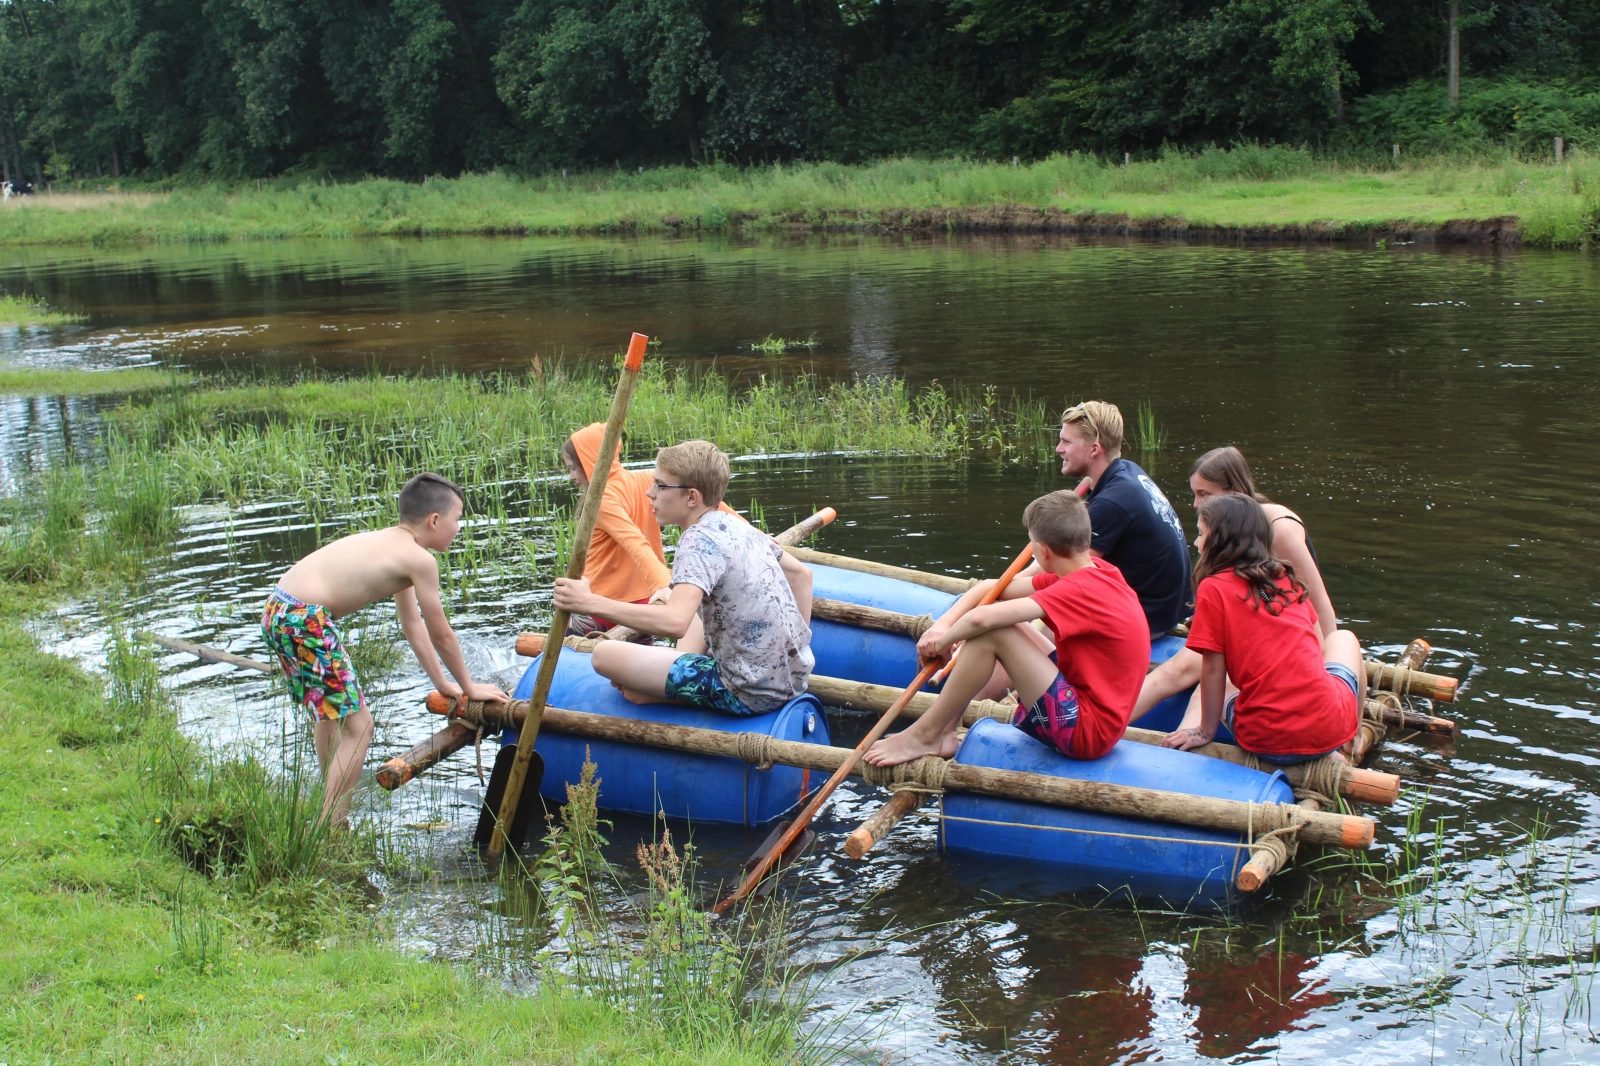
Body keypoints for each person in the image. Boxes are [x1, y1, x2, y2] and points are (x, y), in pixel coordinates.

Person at [261, 473, 510, 826]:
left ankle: (328, 808)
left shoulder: (395, 546)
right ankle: (331, 826)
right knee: (361, 727)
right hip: (305, 619)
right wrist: (469, 687)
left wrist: (443, 684)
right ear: (434, 520)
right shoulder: (420, 561)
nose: (458, 528)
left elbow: (413, 625)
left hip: (278, 610)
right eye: (457, 519)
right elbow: (440, 634)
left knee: (329, 714)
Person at [864, 490, 1149, 767]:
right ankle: (944, 731)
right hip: (1090, 709)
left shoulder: (1079, 589)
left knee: (993, 631)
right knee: (1002, 619)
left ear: (1043, 552)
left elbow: (981, 620)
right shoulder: (1095, 571)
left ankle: (926, 734)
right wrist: (942, 626)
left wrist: (941, 643)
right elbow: (993, 589)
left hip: (1086, 733)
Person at [551, 440, 814, 715]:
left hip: (748, 692)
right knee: (697, 611)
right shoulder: (737, 524)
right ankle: (671, 679)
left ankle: (666, 695)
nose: (649, 493)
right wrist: (792, 650)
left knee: (604, 654)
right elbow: (801, 575)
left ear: (691, 497)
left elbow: (676, 622)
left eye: (660, 486)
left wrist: (589, 602)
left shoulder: (696, 540)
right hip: (796, 679)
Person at [1133, 445, 1337, 720]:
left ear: (1234, 491)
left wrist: (1323, 670)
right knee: (1180, 670)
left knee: (1183, 671)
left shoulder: (1278, 531)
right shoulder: (1234, 530)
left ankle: (1119, 727)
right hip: (1253, 626)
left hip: (1275, 638)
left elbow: (1319, 605)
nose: (1196, 504)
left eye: (1204, 494)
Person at [1159, 494, 1361, 764]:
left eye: (1200, 534)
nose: (1196, 543)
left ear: (1219, 540)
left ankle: (1189, 741)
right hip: (1329, 730)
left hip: (1266, 743)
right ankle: (1350, 740)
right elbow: (1318, 647)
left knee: (1227, 683)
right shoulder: (1287, 577)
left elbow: (1213, 670)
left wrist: (1205, 731)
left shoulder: (1213, 588)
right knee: (1344, 637)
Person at [1056, 401, 1191, 637]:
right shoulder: (1129, 471)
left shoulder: (1112, 502)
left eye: (1067, 442)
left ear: (1094, 449)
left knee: (1020, 620)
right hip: (1170, 608)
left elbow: (1069, 573)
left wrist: (1007, 587)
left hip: (1147, 618)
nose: (1059, 449)